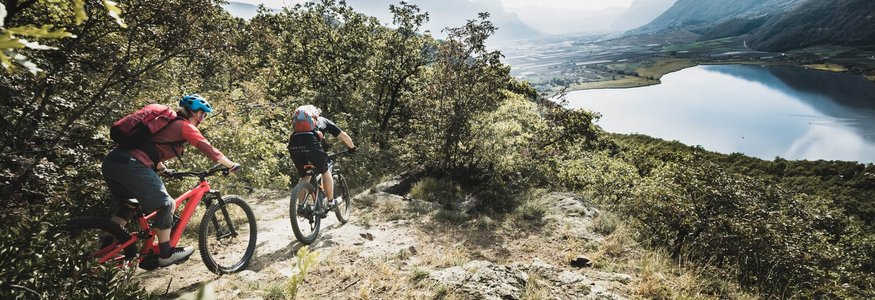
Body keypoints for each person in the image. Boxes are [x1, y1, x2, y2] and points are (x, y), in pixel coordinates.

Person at [101, 94, 240, 267]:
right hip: (132, 165)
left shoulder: (163, 125)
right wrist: (231, 164)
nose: (203, 118)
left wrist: (163, 169)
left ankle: (103, 252)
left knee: (129, 206)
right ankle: (165, 254)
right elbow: (209, 149)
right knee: (167, 204)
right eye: (203, 113)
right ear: (194, 112)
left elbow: (148, 148)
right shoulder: (184, 126)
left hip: (112, 162)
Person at [287, 105, 356, 215]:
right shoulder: (323, 121)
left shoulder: (298, 126)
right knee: (325, 168)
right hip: (311, 144)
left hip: (294, 144)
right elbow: (343, 136)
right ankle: (330, 202)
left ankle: (301, 206)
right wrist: (352, 148)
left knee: (306, 175)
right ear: (316, 115)